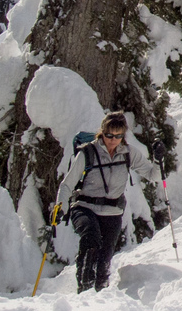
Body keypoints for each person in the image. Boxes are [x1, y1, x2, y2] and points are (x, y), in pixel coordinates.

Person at [56, 111, 160, 293]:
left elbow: (153, 175)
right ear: (102, 132)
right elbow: (67, 184)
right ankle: (84, 288)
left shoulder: (128, 154)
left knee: (105, 256)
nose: (113, 140)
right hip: (85, 206)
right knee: (91, 238)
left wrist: (158, 160)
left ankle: (100, 292)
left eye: (118, 136)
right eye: (109, 135)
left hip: (112, 211)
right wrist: (61, 207)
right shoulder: (88, 153)